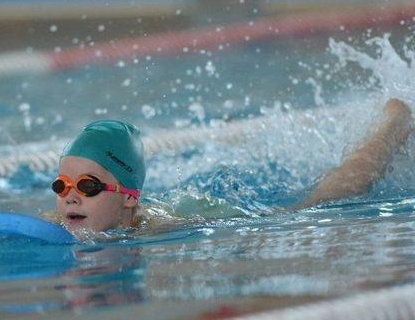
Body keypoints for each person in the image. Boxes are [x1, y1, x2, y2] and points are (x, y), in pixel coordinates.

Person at [48, 98, 413, 233]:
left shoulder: (162, 230)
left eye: (88, 186)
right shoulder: (59, 219)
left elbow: (232, 230)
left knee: (316, 203)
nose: (70, 198)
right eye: (62, 185)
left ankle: (393, 127)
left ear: (129, 197)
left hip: (237, 210)